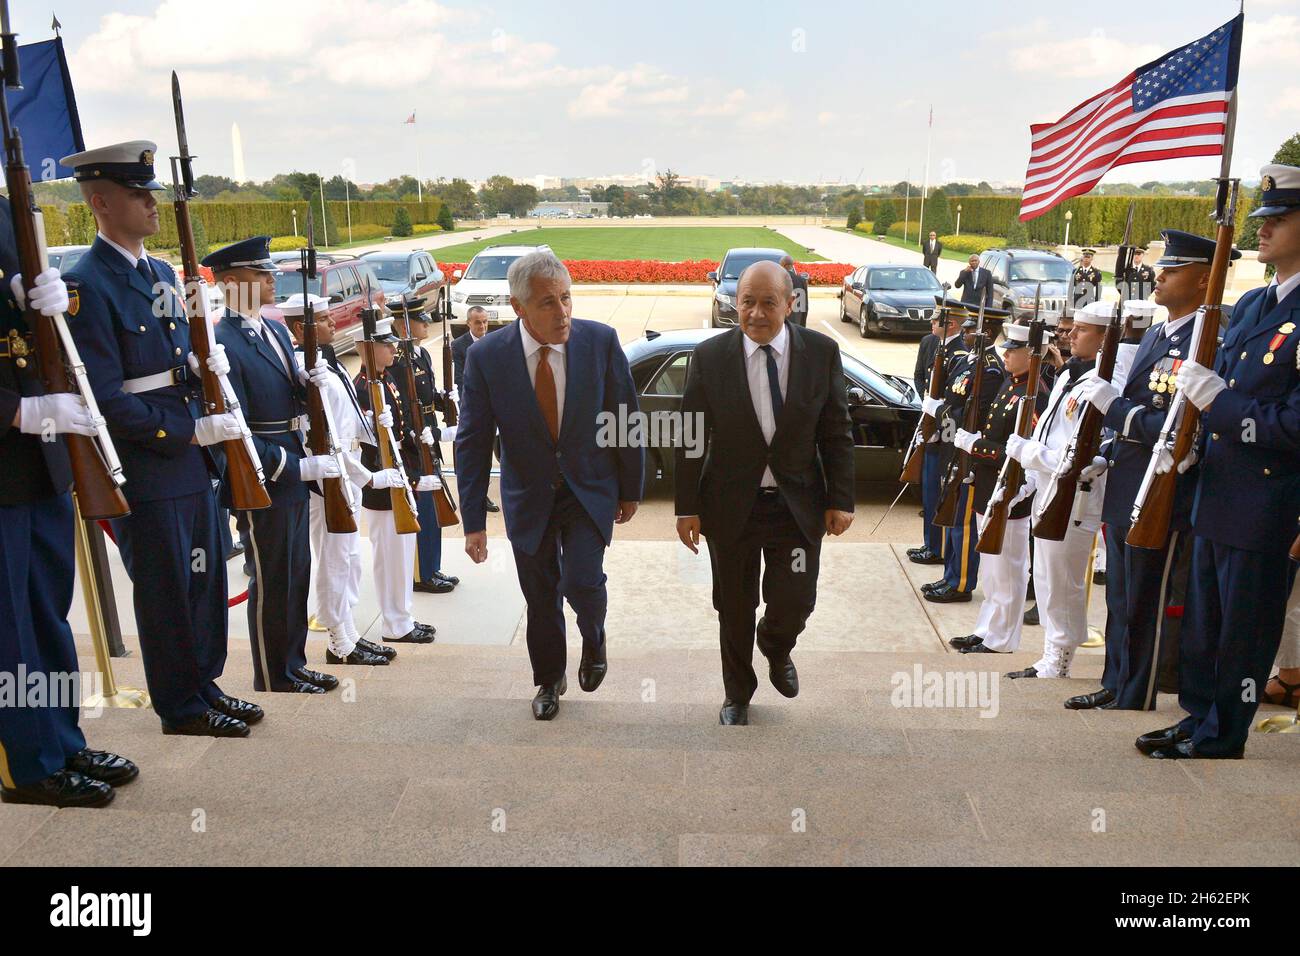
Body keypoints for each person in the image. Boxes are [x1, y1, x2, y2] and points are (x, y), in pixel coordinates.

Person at [64, 141, 256, 737]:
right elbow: (101, 396)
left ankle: (205, 681)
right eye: (136, 194)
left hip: (192, 457)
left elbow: (176, 356)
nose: (150, 203)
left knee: (204, 578)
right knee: (167, 586)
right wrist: (184, 430)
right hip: (151, 459)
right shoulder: (87, 283)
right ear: (100, 202)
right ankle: (180, 704)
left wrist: (202, 377)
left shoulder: (159, 273)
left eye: (150, 192)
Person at [1138, 163, 1300, 759]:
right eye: (1262, 219)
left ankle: (1224, 732)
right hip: (1218, 488)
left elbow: (1295, 423)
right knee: (1205, 624)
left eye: (1278, 220)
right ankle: (1199, 715)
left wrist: (1222, 403)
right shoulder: (1257, 302)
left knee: (1244, 632)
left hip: (1267, 500)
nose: (1264, 230)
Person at [456, 250, 643, 721]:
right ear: (518, 308)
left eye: (566, 298)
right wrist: (473, 521)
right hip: (528, 496)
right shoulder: (486, 357)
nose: (562, 313)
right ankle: (548, 679)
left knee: (581, 580)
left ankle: (594, 636)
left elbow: (626, 417)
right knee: (540, 598)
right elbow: (473, 441)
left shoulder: (599, 342)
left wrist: (630, 489)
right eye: (547, 303)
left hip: (588, 489)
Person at [0, 200, 139, 808]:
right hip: (11, 440)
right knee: (9, 632)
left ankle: (59, 737)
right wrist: (15, 411)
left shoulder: (7, 210)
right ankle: (26, 765)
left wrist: (49, 316)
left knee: (47, 616)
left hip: (41, 455)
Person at [675, 261, 855, 725]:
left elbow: (836, 431)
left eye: (768, 302)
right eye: (747, 302)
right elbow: (691, 436)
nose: (756, 313)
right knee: (733, 606)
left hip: (796, 511)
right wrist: (686, 507)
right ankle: (738, 694)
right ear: (735, 303)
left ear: (790, 304)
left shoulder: (821, 353)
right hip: (731, 509)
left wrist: (842, 499)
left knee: (796, 598)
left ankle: (776, 644)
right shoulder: (711, 357)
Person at [1070, 236, 1234, 712]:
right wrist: (1107, 448)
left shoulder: (1209, 342)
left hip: (1162, 487)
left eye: (1173, 270)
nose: (1158, 276)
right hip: (1128, 480)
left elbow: (1182, 426)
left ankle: (1137, 690)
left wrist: (1115, 408)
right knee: (1121, 596)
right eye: (1161, 268)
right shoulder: (1160, 335)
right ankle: (1116, 681)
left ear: (1205, 278)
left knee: (1146, 596)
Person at [205, 237, 341, 694]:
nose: (270, 279)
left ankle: (293, 662)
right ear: (228, 283)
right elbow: (235, 430)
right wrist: (292, 467)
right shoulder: (223, 341)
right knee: (271, 578)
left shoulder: (276, 329)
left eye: (268, 271)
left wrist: (311, 385)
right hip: (264, 473)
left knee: (295, 570)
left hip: (293, 459)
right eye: (259, 273)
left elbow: (289, 395)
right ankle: (272, 674)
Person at [281, 293, 392, 667]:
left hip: (347, 468)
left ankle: (348, 631)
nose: (333, 323)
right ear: (302, 328)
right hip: (329, 475)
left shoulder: (329, 363)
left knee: (349, 558)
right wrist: (368, 478)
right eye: (324, 319)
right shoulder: (303, 368)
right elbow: (322, 434)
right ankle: (337, 642)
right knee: (335, 558)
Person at [1003, 300, 1111, 679]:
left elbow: (1079, 458)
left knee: (1063, 581)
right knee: (1046, 577)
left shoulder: (1103, 383)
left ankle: (1059, 659)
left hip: (1073, 498)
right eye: (1070, 328)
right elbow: (1052, 430)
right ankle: (1050, 653)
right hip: (1048, 490)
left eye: (1080, 329)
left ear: (1104, 338)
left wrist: (1027, 452)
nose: (1069, 335)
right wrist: (1030, 479)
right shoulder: (1070, 375)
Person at [951, 319, 1051, 654]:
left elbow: (1021, 452)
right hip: (989, 489)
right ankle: (986, 629)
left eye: (1014, 350)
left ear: (1031, 354)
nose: (1006, 355)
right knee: (992, 573)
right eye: (1006, 349)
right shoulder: (1011, 384)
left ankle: (1002, 638)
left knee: (1008, 571)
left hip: (1011, 492)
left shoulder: (1033, 395)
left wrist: (974, 446)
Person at [354, 313, 436, 646]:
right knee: (390, 558)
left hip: (398, 479)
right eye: (385, 346)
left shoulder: (385, 380)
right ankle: (394, 624)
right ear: (368, 349)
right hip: (381, 484)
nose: (392, 351)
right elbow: (365, 445)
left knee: (402, 556)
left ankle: (402, 617)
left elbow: (399, 435)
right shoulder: (362, 388)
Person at [922, 306, 1007, 603]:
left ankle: (961, 583)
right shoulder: (969, 362)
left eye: (973, 330)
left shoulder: (992, 368)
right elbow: (953, 397)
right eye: (968, 329)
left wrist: (939, 411)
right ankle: (949, 575)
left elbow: (975, 413)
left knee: (964, 524)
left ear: (988, 333)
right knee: (952, 516)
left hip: (969, 454)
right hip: (953, 447)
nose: (967, 334)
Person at [388, 297, 457, 594]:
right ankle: (420, 574)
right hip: (416, 444)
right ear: (404, 324)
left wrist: (446, 401)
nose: (427, 324)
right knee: (423, 508)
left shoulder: (422, 354)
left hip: (430, 438)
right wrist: (415, 439)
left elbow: (427, 398)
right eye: (421, 320)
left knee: (434, 505)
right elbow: (403, 406)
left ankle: (432, 566)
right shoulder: (399, 361)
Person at [906, 312, 947, 566]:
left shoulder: (959, 352)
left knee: (938, 493)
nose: (931, 324)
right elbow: (920, 374)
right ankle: (930, 543)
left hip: (943, 433)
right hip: (929, 417)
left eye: (935, 321)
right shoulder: (928, 342)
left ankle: (937, 547)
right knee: (929, 493)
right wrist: (927, 405)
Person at [451, 305, 499, 513]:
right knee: (480, 458)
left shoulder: (495, 342)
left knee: (504, 455)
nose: (482, 326)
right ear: (468, 323)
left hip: (497, 407)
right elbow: (460, 379)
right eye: (478, 322)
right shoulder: (459, 346)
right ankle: (480, 497)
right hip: (477, 409)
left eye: (485, 322)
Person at [778, 254, 809, 327]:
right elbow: (805, 305)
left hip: (782, 321)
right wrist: (803, 325)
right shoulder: (801, 280)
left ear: (782, 265)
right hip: (797, 322)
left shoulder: (778, 279)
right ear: (792, 265)